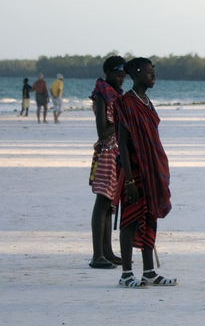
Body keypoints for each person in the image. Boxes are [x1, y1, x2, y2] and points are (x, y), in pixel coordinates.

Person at [114, 57, 175, 287]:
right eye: (149, 73)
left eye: (154, 72)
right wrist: (128, 180)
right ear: (137, 74)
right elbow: (123, 142)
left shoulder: (147, 101)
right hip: (135, 172)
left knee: (150, 218)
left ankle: (149, 271)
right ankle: (126, 273)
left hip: (152, 170)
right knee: (129, 221)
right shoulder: (126, 103)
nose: (153, 76)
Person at [88, 56, 126, 269]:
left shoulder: (114, 94)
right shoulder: (102, 94)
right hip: (107, 152)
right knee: (102, 202)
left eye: (123, 75)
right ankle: (97, 255)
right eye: (117, 75)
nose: (121, 79)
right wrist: (121, 122)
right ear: (109, 73)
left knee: (111, 205)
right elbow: (103, 131)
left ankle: (107, 252)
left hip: (116, 152)